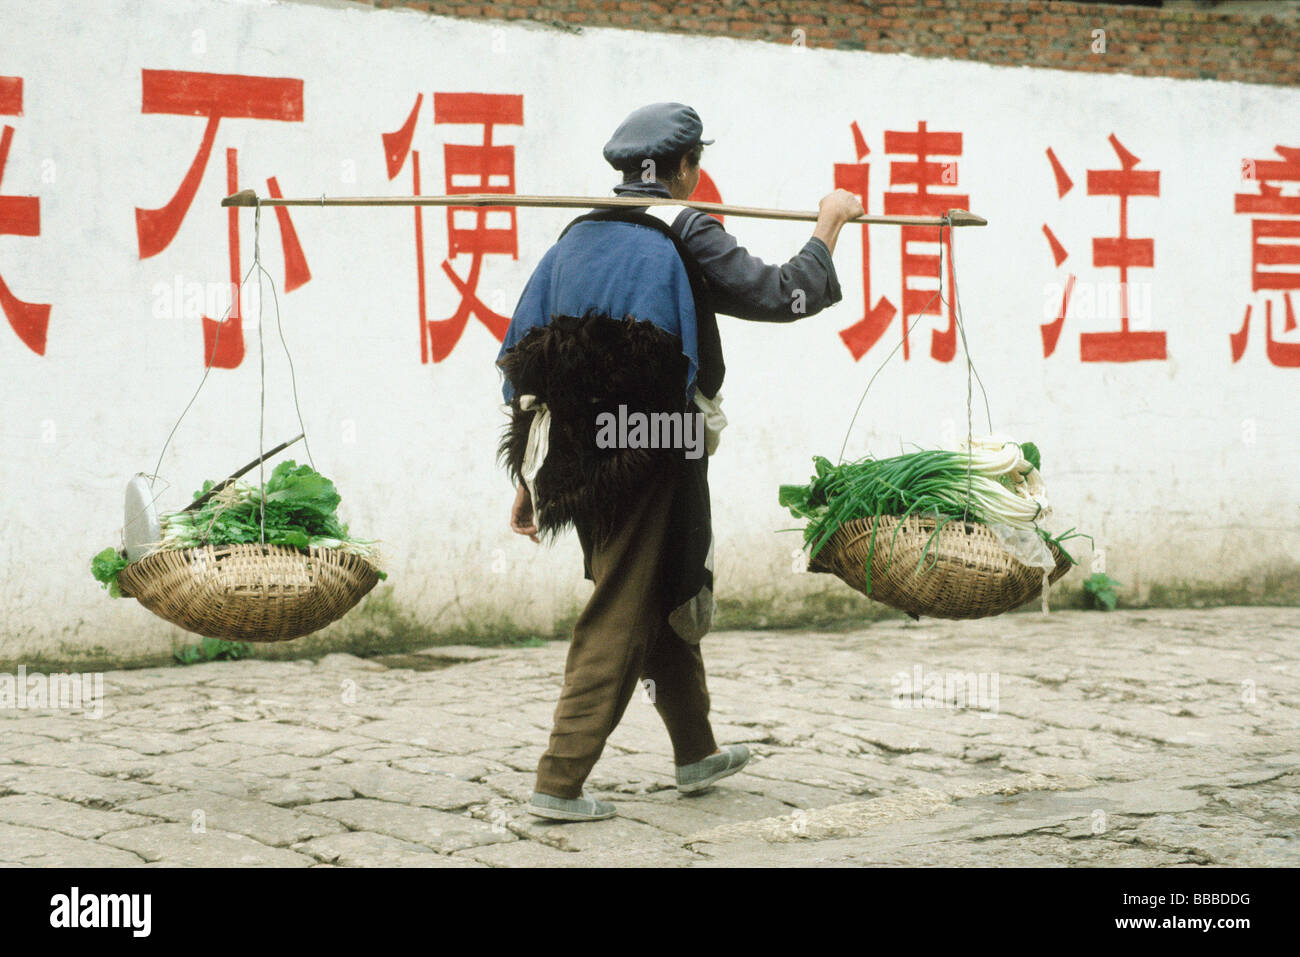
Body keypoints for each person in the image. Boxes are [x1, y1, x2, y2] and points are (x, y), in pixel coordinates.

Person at [496, 102, 864, 822]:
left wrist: (531, 478)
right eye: (697, 162)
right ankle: (559, 777)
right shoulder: (685, 226)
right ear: (687, 168)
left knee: (658, 587)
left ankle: (694, 750)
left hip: (577, 449)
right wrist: (831, 223)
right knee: (622, 601)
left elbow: (529, 357)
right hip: (654, 441)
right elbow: (780, 293)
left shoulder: (577, 234)